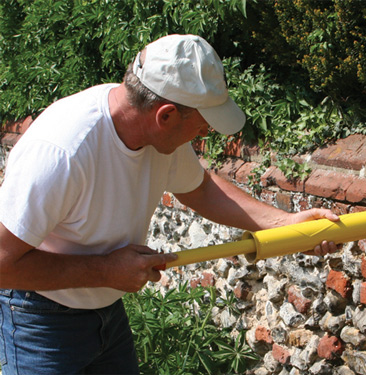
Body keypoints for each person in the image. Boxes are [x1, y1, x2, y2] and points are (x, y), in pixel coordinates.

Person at [0, 34, 339, 374]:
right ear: (166, 115)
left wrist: (286, 224)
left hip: (107, 312)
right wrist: (104, 270)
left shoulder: (155, 132)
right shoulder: (63, 152)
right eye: (202, 128)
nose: (203, 136)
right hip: (39, 321)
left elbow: (201, 189)